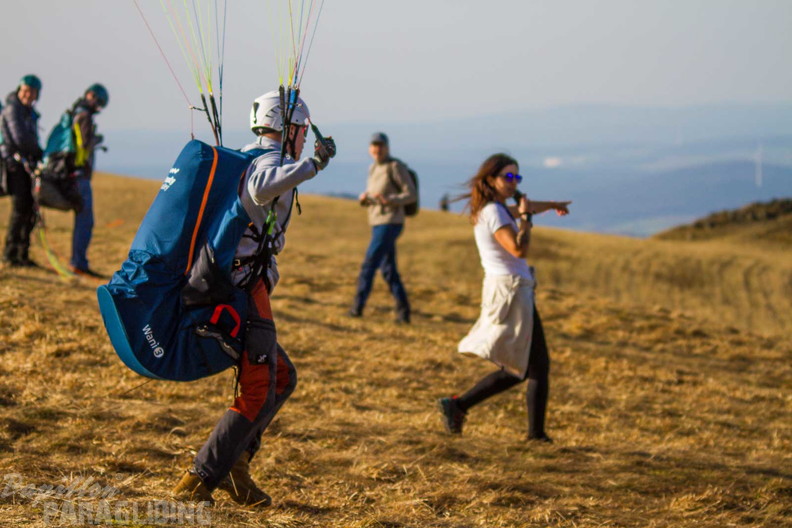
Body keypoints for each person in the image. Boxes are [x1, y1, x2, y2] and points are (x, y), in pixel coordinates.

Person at [172, 90, 336, 507]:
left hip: (235, 283)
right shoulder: (268, 161)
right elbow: (264, 187)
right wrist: (312, 165)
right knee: (263, 383)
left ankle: (235, 465)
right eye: (303, 131)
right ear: (289, 128)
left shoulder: (243, 155)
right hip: (243, 286)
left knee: (281, 377)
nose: (304, 139)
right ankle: (200, 479)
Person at [437, 153, 570, 442]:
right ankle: (464, 407)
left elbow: (522, 207)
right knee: (529, 366)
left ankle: (462, 407)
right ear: (491, 179)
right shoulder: (494, 212)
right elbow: (518, 249)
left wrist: (550, 206)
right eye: (508, 177)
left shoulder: (492, 208)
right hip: (511, 291)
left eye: (517, 177)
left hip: (511, 289)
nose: (514, 182)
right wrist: (526, 219)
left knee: (527, 367)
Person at [349, 132, 417, 324]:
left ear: (387, 147)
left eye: (380, 145)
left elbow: (410, 194)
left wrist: (391, 200)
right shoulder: (372, 168)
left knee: (369, 264)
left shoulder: (395, 167)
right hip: (377, 222)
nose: (377, 149)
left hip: (391, 222)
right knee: (388, 270)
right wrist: (365, 199)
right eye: (374, 146)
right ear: (370, 149)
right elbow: (375, 196)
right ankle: (404, 313)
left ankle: (357, 308)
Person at [1, 75, 43, 267]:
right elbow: (20, 139)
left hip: (26, 166)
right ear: (19, 90)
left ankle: (22, 253)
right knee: (20, 209)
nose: (28, 94)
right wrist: (39, 153)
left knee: (29, 209)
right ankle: (11, 254)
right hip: (14, 166)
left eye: (32, 92)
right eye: (25, 90)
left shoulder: (29, 112)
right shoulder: (13, 109)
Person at [67, 83, 109, 277]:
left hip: (74, 174)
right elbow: (84, 142)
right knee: (85, 220)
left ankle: (78, 262)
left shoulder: (76, 111)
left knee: (83, 220)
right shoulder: (84, 115)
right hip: (80, 176)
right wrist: (97, 139)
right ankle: (78, 263)